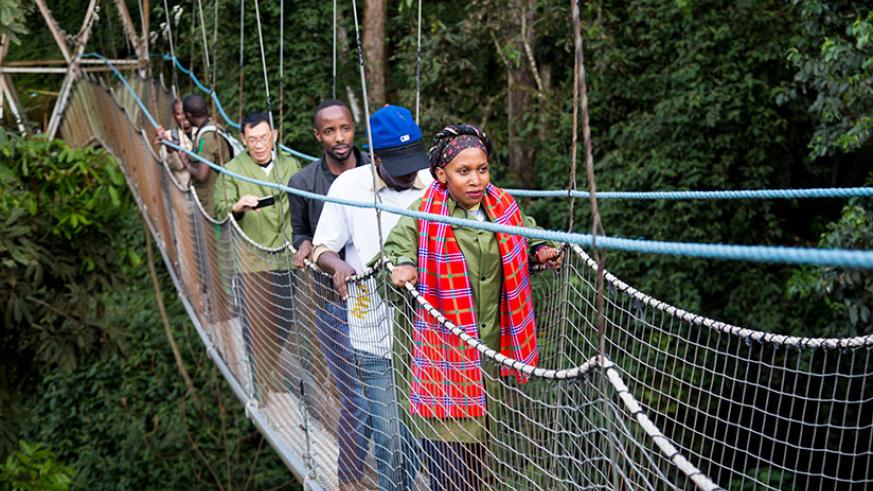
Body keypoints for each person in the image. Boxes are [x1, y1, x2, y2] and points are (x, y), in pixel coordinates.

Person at [382, 124, 562, 491]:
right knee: (449, 475)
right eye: (463, 171)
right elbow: (393, 251)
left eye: (482, 169)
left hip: (485, 362)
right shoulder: (424, 213)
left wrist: (540, 249)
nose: (476, 179)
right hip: (441, 364)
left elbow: (527, 234)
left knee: (477, 471)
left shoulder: (504, 209)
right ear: (441, 175)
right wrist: (403, 266)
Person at [312, 105, 430, 490]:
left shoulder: (435, 185)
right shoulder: (348, 187)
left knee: (419, 435)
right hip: (373, 331)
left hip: (429, 335)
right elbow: (322, 247)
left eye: (413, 160)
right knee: (391, 436)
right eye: (399, 164)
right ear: (376, 158)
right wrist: (338, 267)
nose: (409, 172)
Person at [287, 99, 370, 490]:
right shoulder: (303, 182)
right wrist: (304, 248)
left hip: (382, 301)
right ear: (317, 135)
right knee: (355, 397)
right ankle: (350, 482)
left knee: (389, 398)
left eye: (346, 129)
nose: (340, 138)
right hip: (331, 301)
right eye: (330, 131)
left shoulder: (379, 171)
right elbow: (301, 233)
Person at [213, 110, 301, 398]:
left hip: (286, 256)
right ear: (243, 140)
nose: (260, 145)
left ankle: (267, 370)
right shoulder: (232, 169)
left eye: (264, 137)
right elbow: (218, 208)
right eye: (252, 139)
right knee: (256, 324)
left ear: (274, 136)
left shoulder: (291, 165)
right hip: (251, 261)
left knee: (285, 318)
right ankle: (259, 386)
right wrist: (237, 207)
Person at [184, 94, 233, 216]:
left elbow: (201, 175)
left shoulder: (207, 137)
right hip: (214, 197)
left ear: (189, 115)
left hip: (214, 202)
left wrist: (185, 163)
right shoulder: (211, 126)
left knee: (215, 234)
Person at [155, 99, 195, 188]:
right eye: (179, 113)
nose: (183, 116)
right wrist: (169, 148)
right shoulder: (169, 136)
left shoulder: (202, 132)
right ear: (174, 116)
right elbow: (170, 165)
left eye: (185, 112)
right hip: (184, 189)